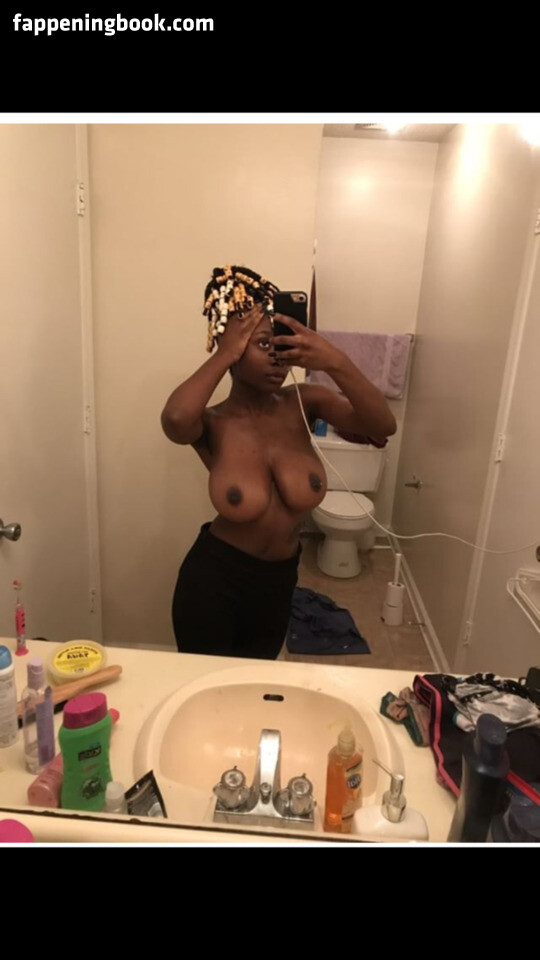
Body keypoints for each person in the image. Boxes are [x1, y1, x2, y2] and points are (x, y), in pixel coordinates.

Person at [161, 265, 396, 658]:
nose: (277, 357)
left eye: (282, 345)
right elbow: (174, 419)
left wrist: (335, 361)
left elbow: (382, 425)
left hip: (279, 583)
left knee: (257, 684)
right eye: (262, 344)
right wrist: (225, 353)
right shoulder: (213, 423)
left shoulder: (304, 402)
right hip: (214, 581)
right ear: (234, 348)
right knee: (207, 687)